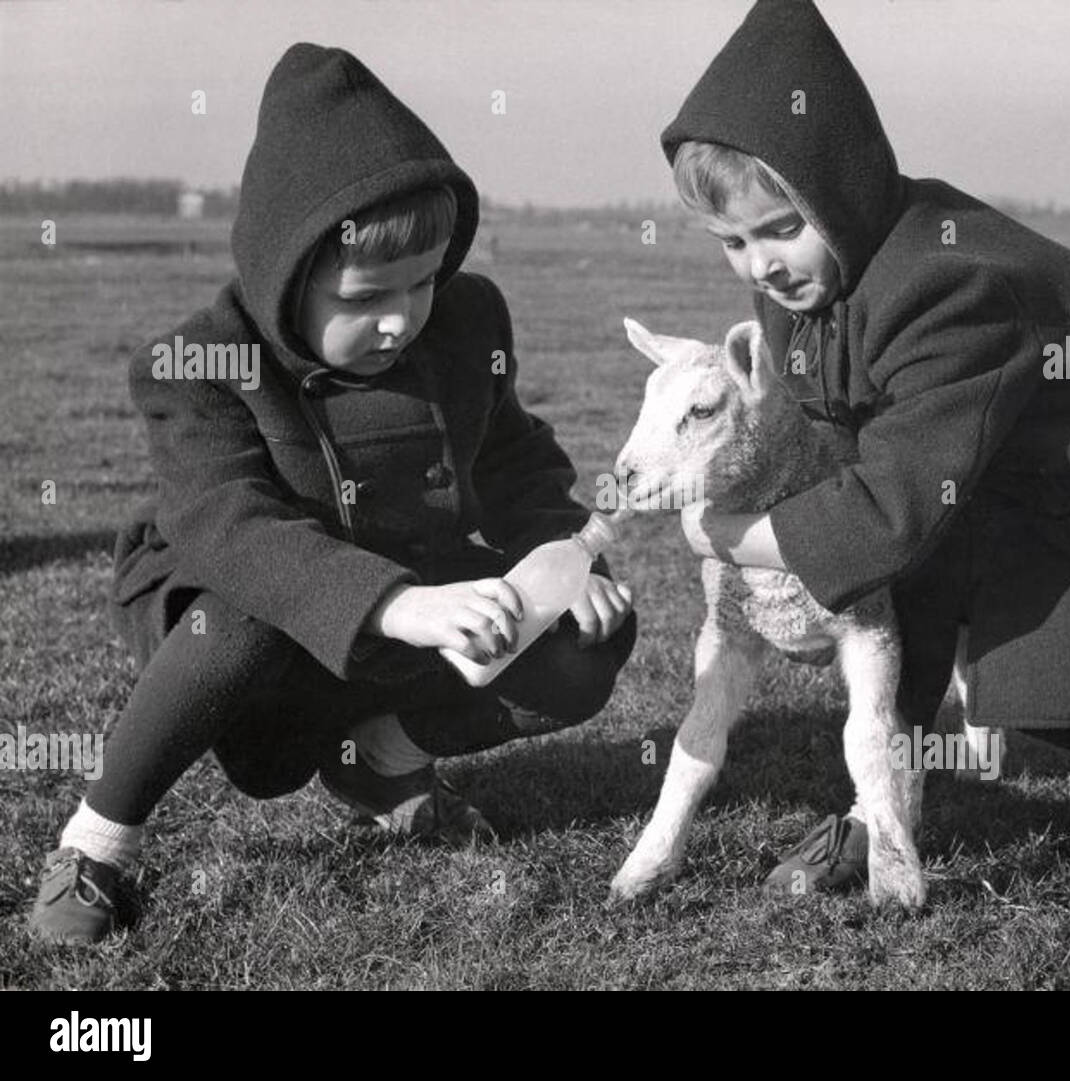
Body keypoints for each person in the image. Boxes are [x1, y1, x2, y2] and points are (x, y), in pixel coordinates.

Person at [661, 0, 1070, 899]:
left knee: (1044, 674)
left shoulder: (943, 287)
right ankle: (884, 818)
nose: (761, 264)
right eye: (733, 241)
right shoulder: (806, 289)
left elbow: (892, 506)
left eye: (779, 228)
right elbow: (863, 459)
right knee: (910, 597)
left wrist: (726, 534)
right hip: (1007, 470)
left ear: (841, 187)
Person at [30, 43, 636, 944]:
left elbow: (513, 458)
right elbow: (231, 529)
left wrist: (558, 553)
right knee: (229, 621)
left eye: (424, 281)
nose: (403, 317)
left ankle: (385, 763)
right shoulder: (199, 359)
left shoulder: (471, 324)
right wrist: (400, 607)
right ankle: (94, 844)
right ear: (287, 273)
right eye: (368, 294)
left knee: (592, 640)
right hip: (247, 608)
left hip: (418, 588)